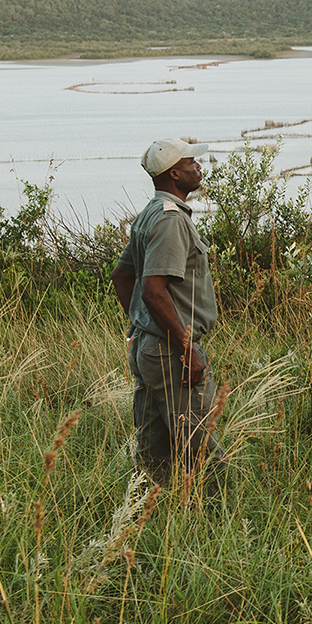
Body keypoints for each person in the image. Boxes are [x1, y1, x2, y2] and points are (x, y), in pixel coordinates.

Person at [112, 137, 226, 485]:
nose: (199, 167)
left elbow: (122, 275)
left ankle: (149, 518)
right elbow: (153, 290)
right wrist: (185, 346)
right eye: (192, 163)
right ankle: (216, 521)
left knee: (154, 453)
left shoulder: (150, 213)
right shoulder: (170, 220)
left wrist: (140, 326)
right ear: (175, 173)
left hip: (152, 345)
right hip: (170, 350)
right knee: (201, 451)